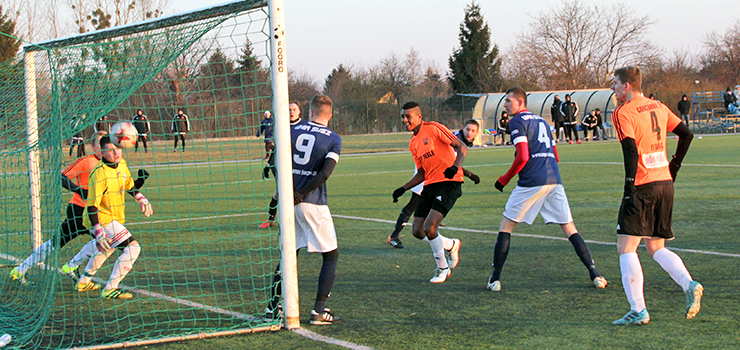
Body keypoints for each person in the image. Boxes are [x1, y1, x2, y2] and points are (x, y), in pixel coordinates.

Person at [488, 87, 607, 292]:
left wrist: (504, 180)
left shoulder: (517, 121)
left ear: (520, 102)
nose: (505, 105)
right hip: (554, 178)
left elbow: (523, 156)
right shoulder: (542, 121)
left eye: (508, 101)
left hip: (533, 180)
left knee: (506, 226)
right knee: (570, 228)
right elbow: (556, 156)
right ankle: (595, 273)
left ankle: (495, 279)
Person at [610, 66, 702, 325]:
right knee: (655, 246)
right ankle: (689, 284)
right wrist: (674, 164)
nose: (612, 88)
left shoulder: (623, 112)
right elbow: (686, 134)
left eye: (615, 83)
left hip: (642, 186)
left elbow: (630, 152)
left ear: (627, 85)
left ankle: (638, 310)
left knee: (626, 247)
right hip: (664, 184)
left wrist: (629, 189)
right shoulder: (658, 106)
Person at [10, 133, 148, 285]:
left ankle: (69, 269)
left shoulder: (116, 164)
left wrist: (140, 182)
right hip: (80, 211)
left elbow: (125, 187)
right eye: (100, 143)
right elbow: (61, 177)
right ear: (96, 147)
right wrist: (79, 190)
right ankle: (24, 270)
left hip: (100, 214)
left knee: (107, 243)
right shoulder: (86, 162)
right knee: (63, 242)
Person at [265, 95, 342, 325]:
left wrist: (286, 192)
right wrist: (303, 193)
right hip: (312, 202)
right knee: (331, 256)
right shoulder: (334, 139)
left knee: (289, 254)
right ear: (330, 114)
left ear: (308, 112)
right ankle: (319, 311)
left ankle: (272, 308)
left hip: (289, 202)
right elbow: (325, 173)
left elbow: (277, 162)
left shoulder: (292, 130)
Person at [391, 101, 466, 283]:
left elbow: (462, 147)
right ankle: (452, 244)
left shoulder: (433, 128)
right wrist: (403, 188)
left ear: (419, 117)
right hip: (430, 185)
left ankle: (442, 268)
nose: (405, 120)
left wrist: (455, 167)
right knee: (417, 230)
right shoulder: (413, 143)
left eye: (408, 116)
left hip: (449, 183)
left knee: (430, 227)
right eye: (403, 116)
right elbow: (422, 172)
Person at [74, 135, 154, 299]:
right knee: (133, 248)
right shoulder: (99, 174)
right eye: (110, 150)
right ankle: (111, 288)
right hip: (100, 218)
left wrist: (141, 198)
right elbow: (92, 205)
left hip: (113, 216)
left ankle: (84, 281)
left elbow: (129, 185)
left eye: (117, 148)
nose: (116, 152)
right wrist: (98, 231)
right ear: (102, 152)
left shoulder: (122, 164)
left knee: (107, 249)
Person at [388, 119, 481, 249]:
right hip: (429, 171)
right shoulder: (456, 139)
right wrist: (470, 175)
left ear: (478, 132)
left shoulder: (464, 141)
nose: (470, 133)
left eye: (473, 131)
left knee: (423, 207)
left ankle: (434, 221)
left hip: (437, 174)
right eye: (468, 129)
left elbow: (452, 165)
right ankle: (394, 236)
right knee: (414, 203)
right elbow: (449, 164)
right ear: (462, 128)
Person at [259, 102, 307, 228]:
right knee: (278, 193)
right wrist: (268, 166)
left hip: (301, 168)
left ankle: (298, 219)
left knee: (298, 195)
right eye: (289, 109)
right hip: (285, 167)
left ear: (299, 111)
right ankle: (271, 218)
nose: (291, 112)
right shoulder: (282, 127)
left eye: (294, 109)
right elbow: (277, 149)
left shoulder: (305, 126)